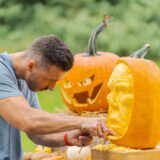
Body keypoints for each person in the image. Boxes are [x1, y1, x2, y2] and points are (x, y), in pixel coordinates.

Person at [0, 35, 115, 160]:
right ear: (31, 66)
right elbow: (28, 120)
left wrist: (67, 138)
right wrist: (83, 121)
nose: (52, 88)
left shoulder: (26, 80)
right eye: (50, 80)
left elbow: (37, 133)